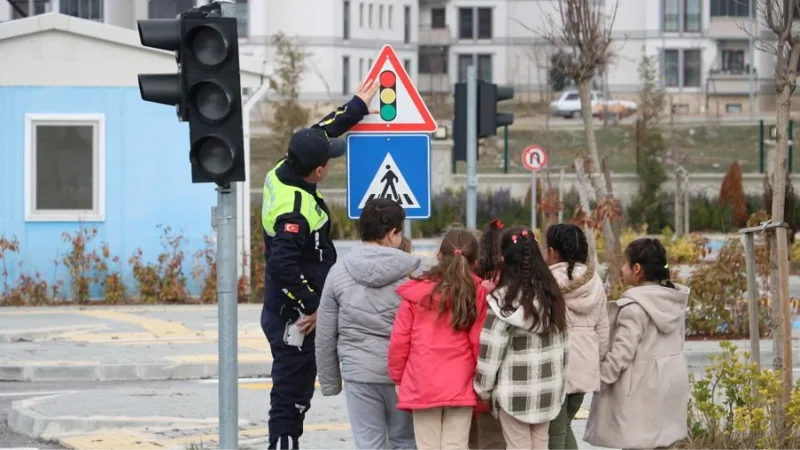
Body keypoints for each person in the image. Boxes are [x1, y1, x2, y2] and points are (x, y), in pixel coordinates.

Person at [260, 79, 380, 450]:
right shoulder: (293, 211)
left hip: (293, 306)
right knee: (291, 393)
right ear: (318, 171)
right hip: (291, 314)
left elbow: (321, 130)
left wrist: (357, 106)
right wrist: (313, 306)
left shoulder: (287, 164)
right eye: (328, 159)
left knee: (297, 390)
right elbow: (282, 265)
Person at [314, 198, 420, 450]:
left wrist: (330, 382)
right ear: (393, 233)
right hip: (403, 374)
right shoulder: (413, 274)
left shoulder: (338, 272)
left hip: (358, 372)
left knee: (369, 444)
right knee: (405, 441)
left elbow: (325, 334)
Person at [583, 238, 690, 450]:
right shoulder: (672, 301)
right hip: (670, 382)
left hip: (642, 389)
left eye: (625, 263)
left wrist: (600, 379)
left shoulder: (635, 307)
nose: (622, 268)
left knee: (637, 442)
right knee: (663, 442)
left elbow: (622, 353)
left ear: (637, 268)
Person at [388, 227, 489, 450]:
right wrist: (483, 380)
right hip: (461, 380)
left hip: (422, 379)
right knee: (456, 444)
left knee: (427, 445)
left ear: (438, 255)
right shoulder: (477, 293)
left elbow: (399, 341)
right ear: (474, 261)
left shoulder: (416, 292)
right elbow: (478, 342)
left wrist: (398, 377)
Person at [474, 227, 569, 450]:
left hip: (513, 393)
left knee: (518, 446)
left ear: (504, 259)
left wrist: (483, 390)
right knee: (540, 444)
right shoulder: (553, 298)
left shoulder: (501, 302)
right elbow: (565, 345)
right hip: (549, 390)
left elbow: (490, 351)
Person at [544, 224, 609, 450]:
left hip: (558, 365)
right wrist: (596, 361)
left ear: (552, 251)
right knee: (565, 425)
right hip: (585, 365)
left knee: (556, 430)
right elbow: (603, 328)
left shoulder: (548, 281)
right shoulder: (595, 282)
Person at [469, 218, 506, 450]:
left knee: (472, 437)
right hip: (501, 375)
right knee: (495, 439)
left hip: (471, 372)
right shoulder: (514, 283)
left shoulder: (471, 282)